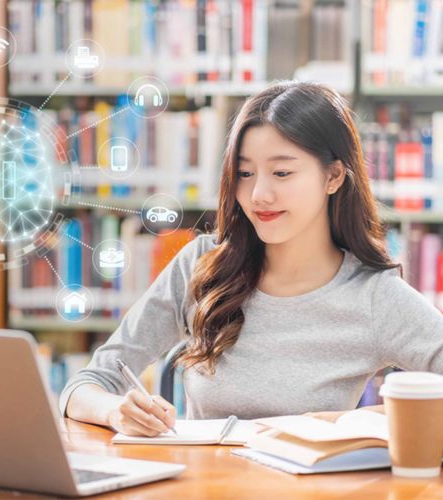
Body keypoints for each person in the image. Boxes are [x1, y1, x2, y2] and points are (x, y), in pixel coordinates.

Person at [60, 81, 443, 437]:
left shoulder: (374, 297)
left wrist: (343, 422)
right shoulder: (201, 263)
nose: (258, 193)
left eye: (281, 172)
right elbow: (85, 386)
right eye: (244, 173)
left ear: (334, 177)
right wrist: (115, 411)